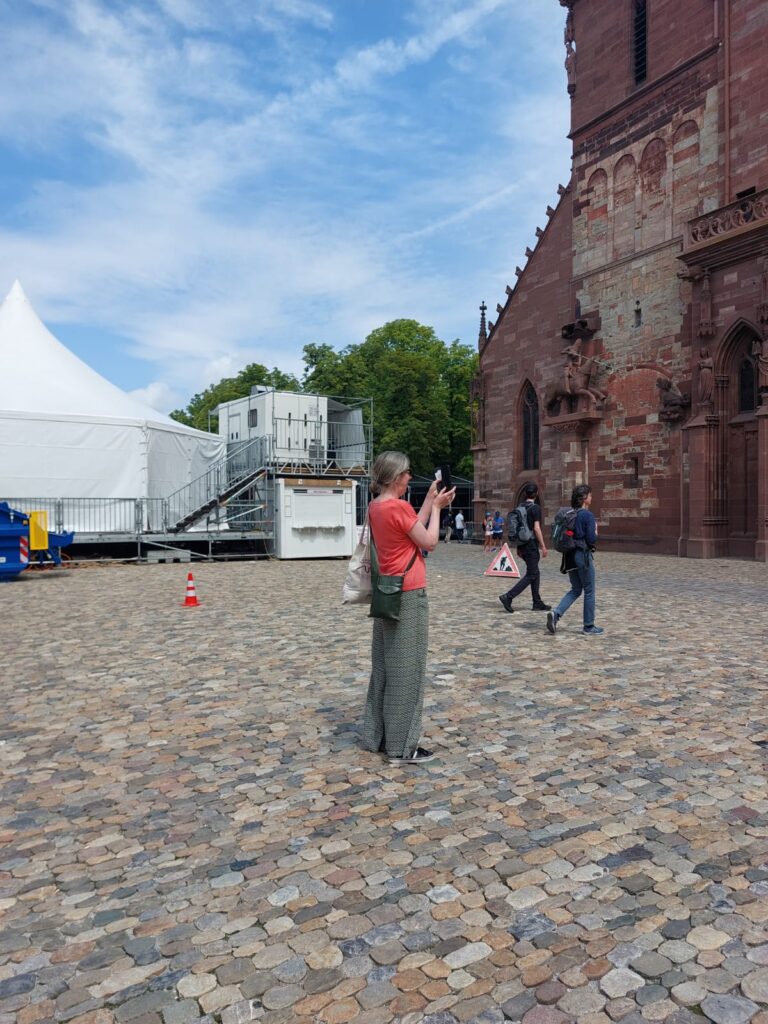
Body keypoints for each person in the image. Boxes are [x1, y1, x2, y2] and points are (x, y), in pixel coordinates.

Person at [362, 451, 455, 765]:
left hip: (387, 591)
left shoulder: (376, 506)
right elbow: (428, 541)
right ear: (395, 476)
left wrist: (430, 499)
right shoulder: (398, 506)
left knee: (385, 668)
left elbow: (409, 527)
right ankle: (403, 747)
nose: (409, 479)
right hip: (409, 592)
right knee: (408, 671)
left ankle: (377, 735)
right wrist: (439, 509)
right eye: (406, 474)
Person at [546, 484, 603, 636]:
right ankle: (589, 626)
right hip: (582, 555)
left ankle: (556, 614)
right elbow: (591, 539)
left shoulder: (570, 513)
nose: (592, 498)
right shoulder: (587, 515)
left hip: (569, 556)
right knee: (589, 590)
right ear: (584, 498)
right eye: (590, 495)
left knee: (576, 589)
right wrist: (595, 532)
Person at [499, 482, 550, 613]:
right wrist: (543, 546)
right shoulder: (535, 508)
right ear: (536, 494)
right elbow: (537, 528)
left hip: (522, 544)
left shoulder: (520, 507)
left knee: (535, 572)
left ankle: (537, 602)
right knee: (531, 574)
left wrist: (518, 547)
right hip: (531, 545)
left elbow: (518, 528)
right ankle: (508, 596)